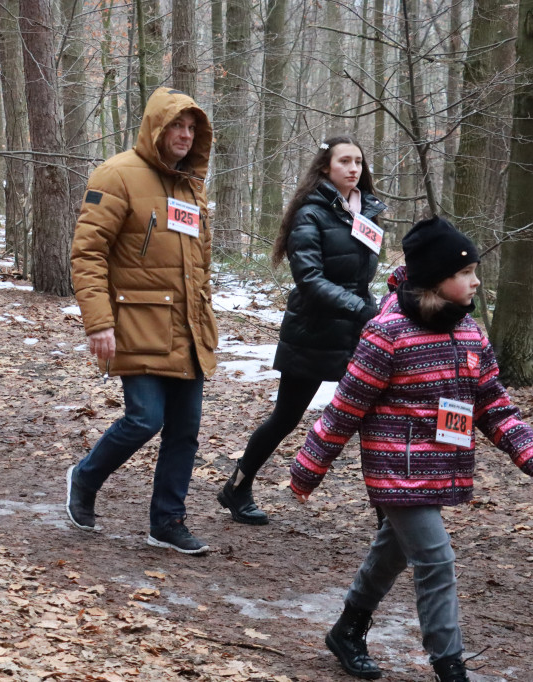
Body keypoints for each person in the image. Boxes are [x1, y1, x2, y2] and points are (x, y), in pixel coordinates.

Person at [290, 217, 533, 682]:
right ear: (436, 277)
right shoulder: (388, 333)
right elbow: (346, 408)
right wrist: (309, 467)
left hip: (439, 467)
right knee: (436, 559)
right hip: (397, 468)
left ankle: (347, 628)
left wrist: (529, 451)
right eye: (466, 272)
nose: (476, 281)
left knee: (393, 550)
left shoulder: (470, 333)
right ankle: (448, 664)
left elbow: (492, 404)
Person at [66, 87, 218, 555]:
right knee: (144, 419)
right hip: (137, 322)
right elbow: (87, 254)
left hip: (187, 327)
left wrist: (204, 315)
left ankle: (167, 521)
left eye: (192, 129)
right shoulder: (116, 175)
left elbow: (197, 262)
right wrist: (99, 323)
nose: (185, 135)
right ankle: (85, 477)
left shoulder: (192, 184)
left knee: (185, 430)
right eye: (177, 125)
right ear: (157, 126)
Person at [217, 135, 387, 525]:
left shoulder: (366, 212)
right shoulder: (310, 213)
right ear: (326, 167)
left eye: (358, 162)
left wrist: (378, 308)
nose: (353, 168)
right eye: (345, 161)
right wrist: (360, 309)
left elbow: (360, 278)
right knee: (286, 416)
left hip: (360, 332)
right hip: (313, 330)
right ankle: (237, 487)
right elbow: (309, 278)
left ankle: (389, 520)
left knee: (374, 421)